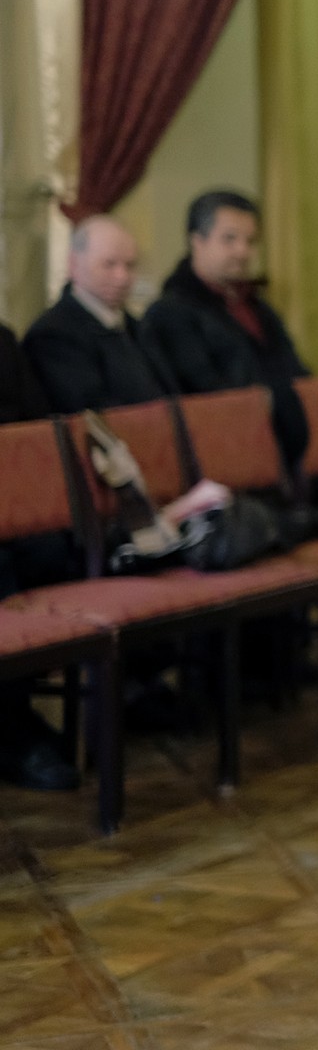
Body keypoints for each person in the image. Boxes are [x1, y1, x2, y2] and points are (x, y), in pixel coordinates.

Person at [142, 191, 311, 465]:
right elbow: (205, 395)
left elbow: (296, 372)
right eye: (229, 239)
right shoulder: (170, 314)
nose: (242, 252)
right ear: (197, 241)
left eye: (250, 241)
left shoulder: (257, 308)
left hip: (283, 446)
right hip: (223, 454)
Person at [0, 322, 80, 792]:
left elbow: (41, 430)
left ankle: (17, 712)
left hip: (16, 509)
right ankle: (13, 731)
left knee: (56, 549)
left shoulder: (4, 343)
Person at [24, 216, 177, 414]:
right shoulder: (52, 335)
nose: (122, 277)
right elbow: (90, 411)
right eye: (109, 264)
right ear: (74, 265)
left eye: (130, 265)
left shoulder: (138, 327)